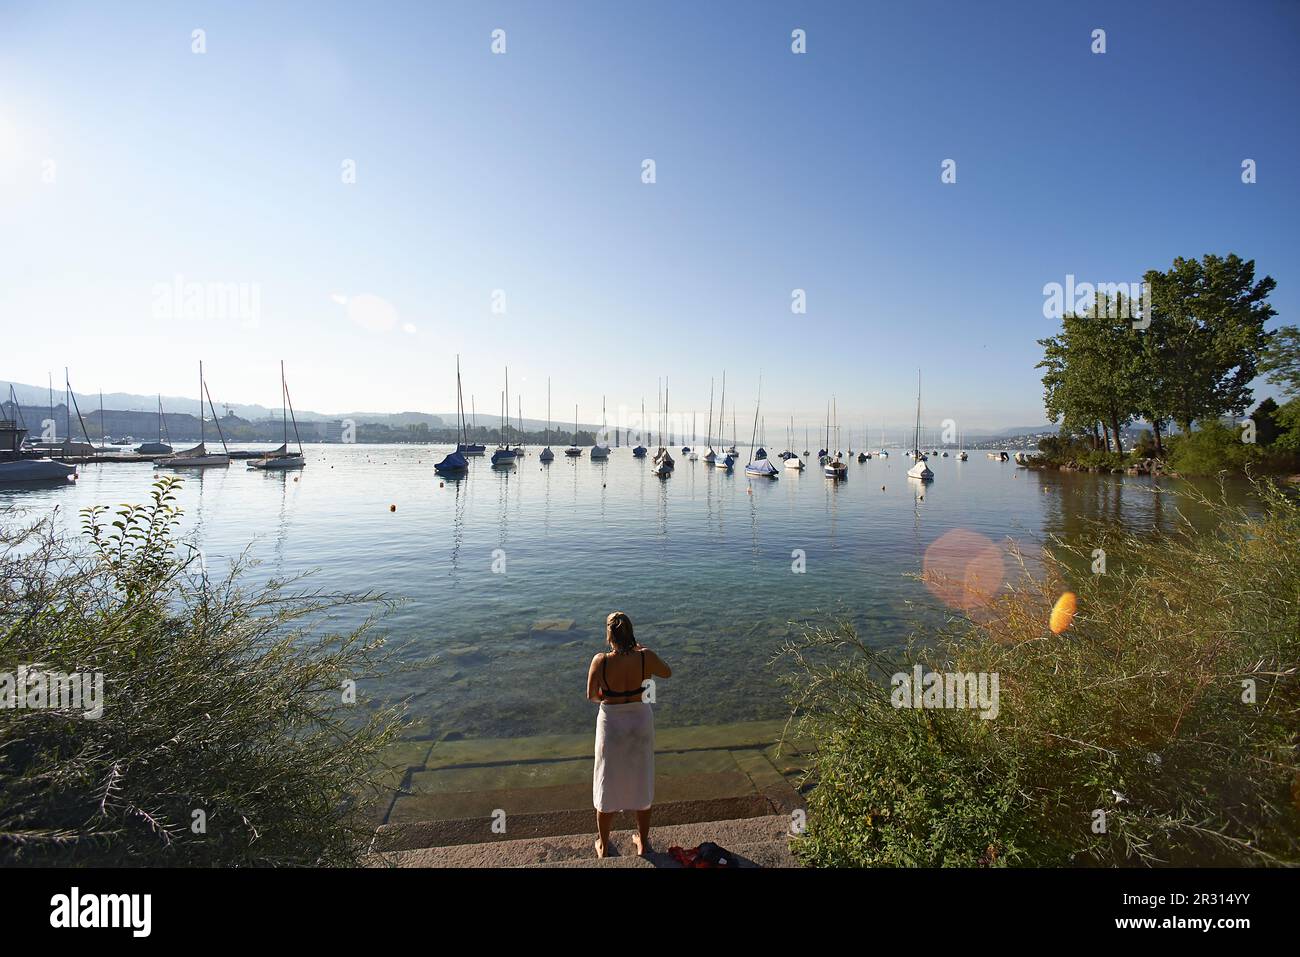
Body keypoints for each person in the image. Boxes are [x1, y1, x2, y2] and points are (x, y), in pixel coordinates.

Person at [585, 611, 671, 857]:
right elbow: (667, 673)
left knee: (606, 779)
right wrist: (646, 654)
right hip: (640, 721)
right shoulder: (646, 657)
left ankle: (603, 844)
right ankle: (642, 842)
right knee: (641, 778)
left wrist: (610, 695)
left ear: (609, 635)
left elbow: (591, 695)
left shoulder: (600, 661)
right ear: (632, 632)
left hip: (611, 723)